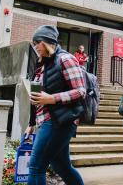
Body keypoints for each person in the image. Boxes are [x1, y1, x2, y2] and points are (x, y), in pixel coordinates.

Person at [25, 25, 85, 185]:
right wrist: (32, 122)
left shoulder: (66, 59)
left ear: (46, 42)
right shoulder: (43, 64)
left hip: (59, 121)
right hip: (46, 119)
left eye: (37, 42)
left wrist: (51, 98)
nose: (35, 47)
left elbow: (80, 91)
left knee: (36, 166)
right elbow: (40, 96)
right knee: (62, 166)